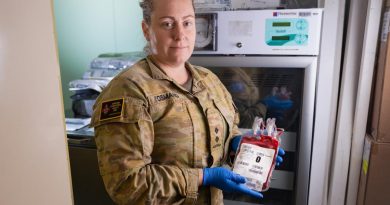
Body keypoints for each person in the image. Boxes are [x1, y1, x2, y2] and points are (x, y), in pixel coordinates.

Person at [90, 0, 283, 204]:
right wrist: (203, 177)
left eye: (188, 23)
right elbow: (127, 185)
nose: (180, 35)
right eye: (167, 24)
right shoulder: (129, 91)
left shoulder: (209, 80)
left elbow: (224, 134)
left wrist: (241, 147)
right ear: (146, 30)